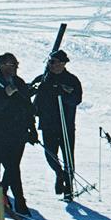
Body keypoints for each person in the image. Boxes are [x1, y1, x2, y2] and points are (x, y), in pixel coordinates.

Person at [0, 51, 38, 217]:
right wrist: (5, 96)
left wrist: (32, 129)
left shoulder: (19, 82)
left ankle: (3, 195)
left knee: (13, 166)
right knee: (11, 166)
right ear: (1, 65)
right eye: (10, 64)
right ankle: (19, 201)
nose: (14, 67)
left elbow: (27, 107)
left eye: (15, 64)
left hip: (18, 132)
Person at [33, 49, 83, 199]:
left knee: (68, 156)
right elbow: (33, 94)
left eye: (53, 62)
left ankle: (68, 186)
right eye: (49, 61)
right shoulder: (44, 79)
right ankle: (59, 174)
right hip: (48, 123)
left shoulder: (72, 80)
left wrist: (64, 93)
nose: (51, 64)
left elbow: (76, 100)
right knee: (50, 154)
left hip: (65, 124)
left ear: (62, 63)